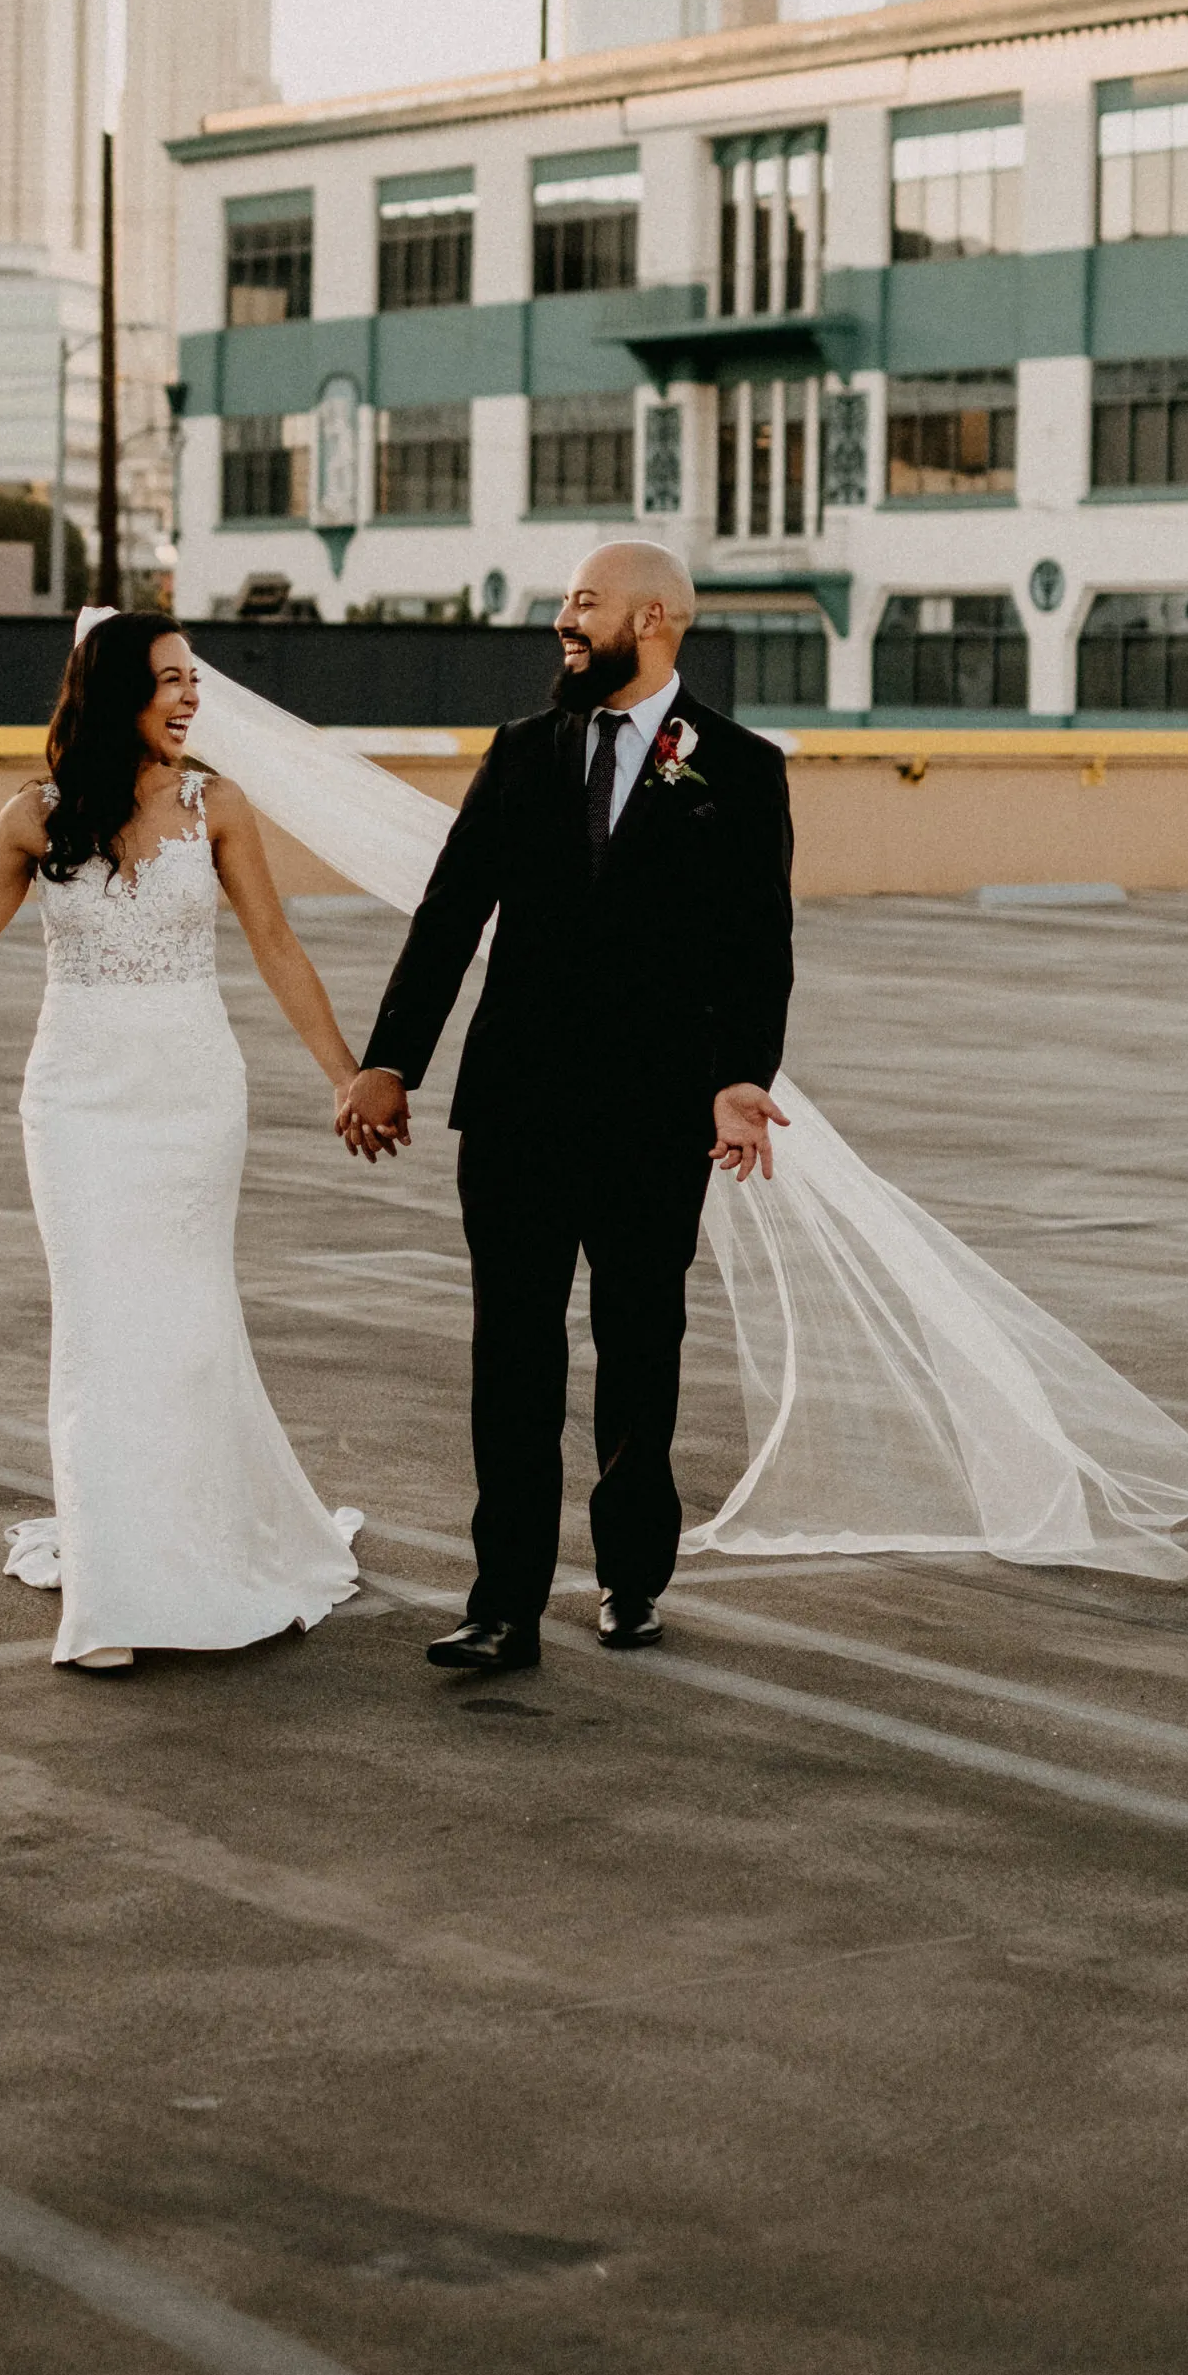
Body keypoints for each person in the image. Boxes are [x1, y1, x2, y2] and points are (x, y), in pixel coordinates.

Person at [0, 610, 369, 1674]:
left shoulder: (219, 807)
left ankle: (196, 1544)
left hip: (193, 1092)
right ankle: (115, 1591)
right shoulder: (35, 816)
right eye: (170, 680)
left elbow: (278, 948)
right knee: (103, 1332)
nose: (192, 699)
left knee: (189, 1326)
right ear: (117, 693)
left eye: (194, 680)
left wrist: (346, 1076)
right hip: (76, 1103)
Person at [336, 543, 794, 1674]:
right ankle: (503, 1603)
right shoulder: (521, 752)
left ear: (655, 619)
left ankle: (631, 1576)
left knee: (642, 1351)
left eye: (584, 604)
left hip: (653, 1119)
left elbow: (756, 948)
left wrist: (741, 1079)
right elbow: (448, 916)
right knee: (512, 1358)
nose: (562, 622)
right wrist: (393, 1060)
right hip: (514, 1111)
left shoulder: (738, 767)